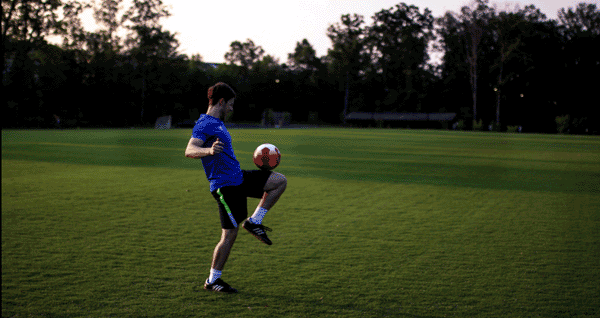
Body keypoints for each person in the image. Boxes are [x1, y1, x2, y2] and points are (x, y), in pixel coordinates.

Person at [184, 82, 287, 293]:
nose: (231, 108)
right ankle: (213, 280)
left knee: (278, 181)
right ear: (221, 102)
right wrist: (209, 151)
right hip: (225, 186)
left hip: (238, 177)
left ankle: (254, 221)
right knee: (229, 236)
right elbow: (190, 149)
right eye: (230, 104)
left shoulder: (218, 123)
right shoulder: (205, 124)